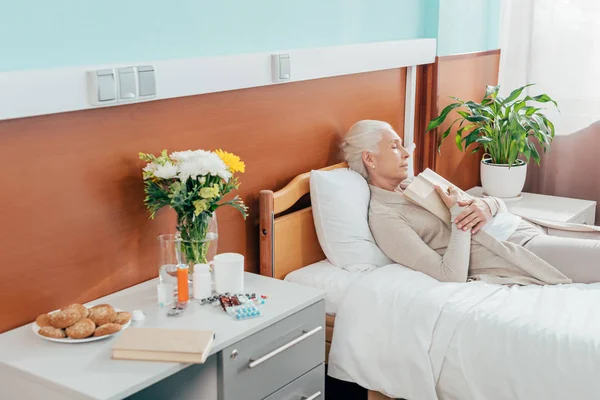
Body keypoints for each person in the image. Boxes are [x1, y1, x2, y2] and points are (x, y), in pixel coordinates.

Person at [341, 120, 600, 285]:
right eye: (395, 147)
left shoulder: (417, 184)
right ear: (370, 159)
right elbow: (448, 275)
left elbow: (489, 204)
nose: (407, 153)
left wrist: (487, 206)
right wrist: (458, 217)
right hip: (519, 248)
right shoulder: (385, 217)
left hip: (528, 228)